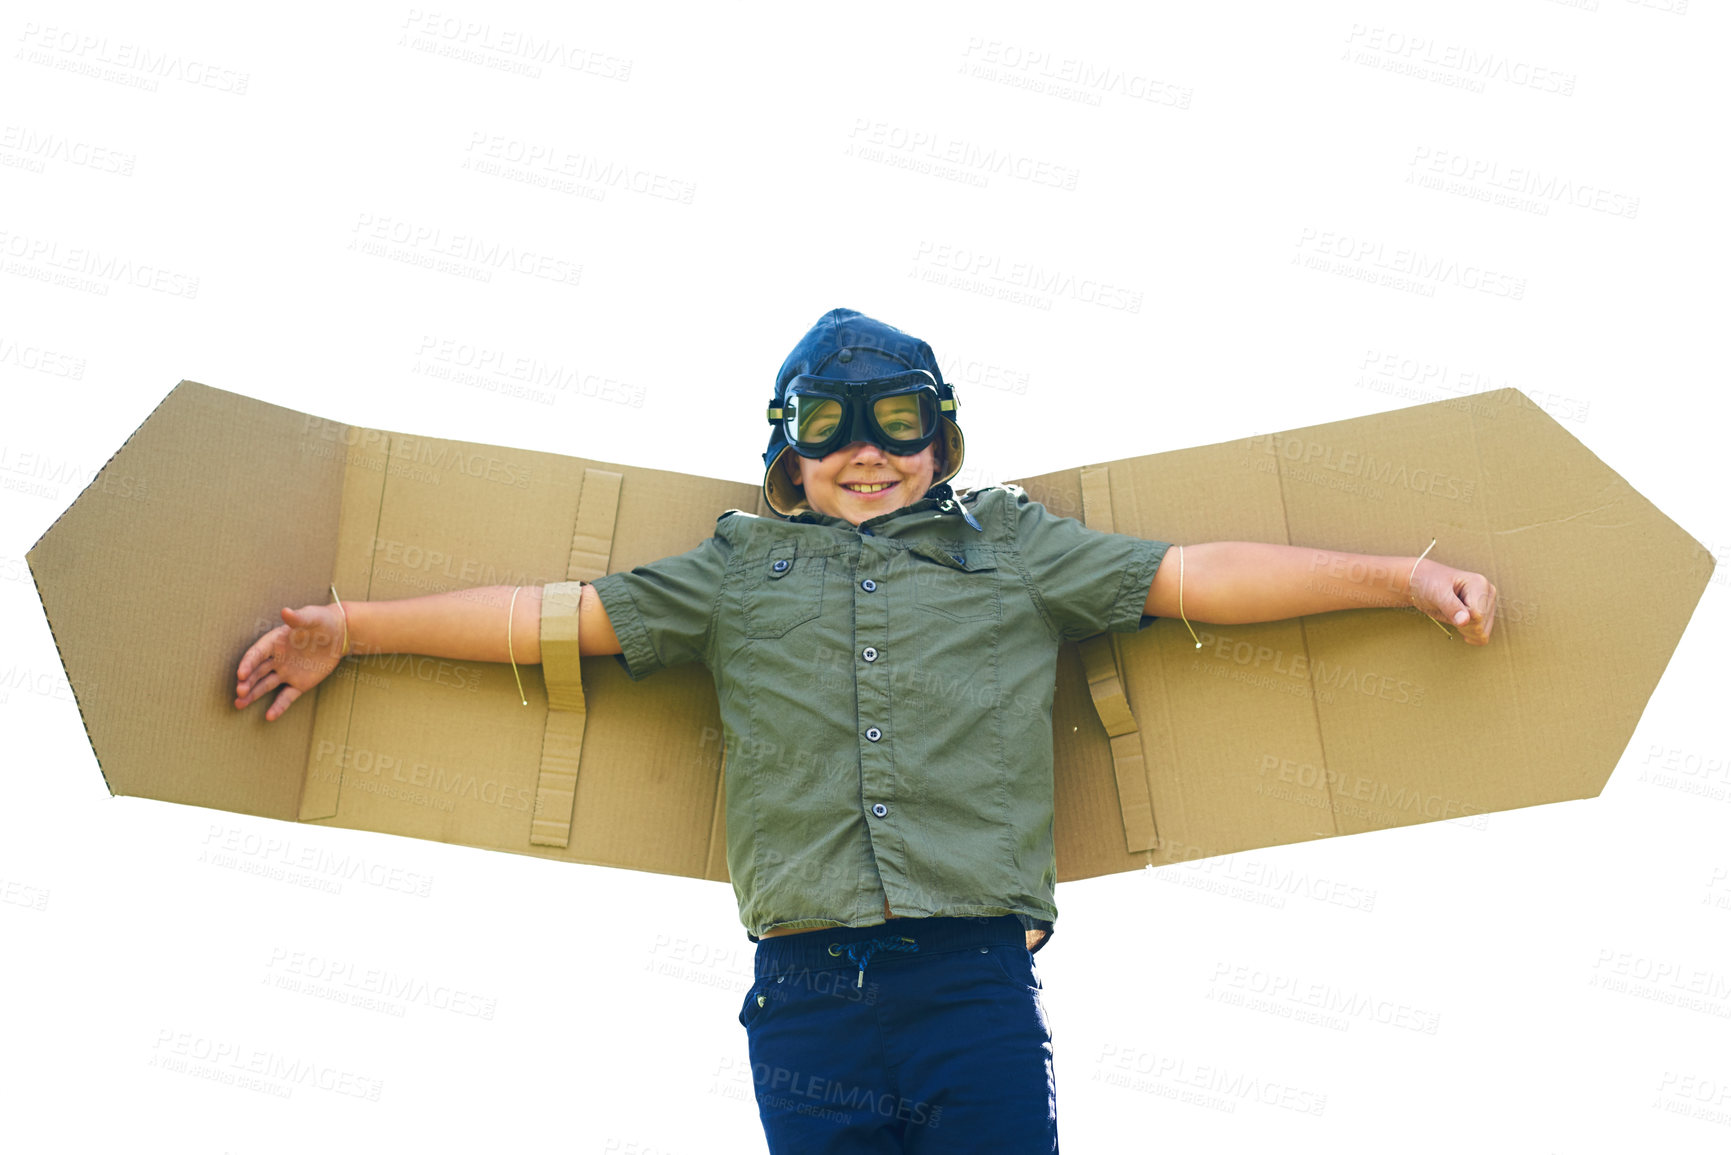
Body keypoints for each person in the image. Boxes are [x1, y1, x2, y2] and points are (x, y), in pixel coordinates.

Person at [234, 307, 1497, 1152]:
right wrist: (358, 625)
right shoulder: (736, 572)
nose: (866, 455)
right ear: (789, 456)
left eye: (896, 425)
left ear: (937, 440)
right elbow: (549, 615)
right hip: (804, 996)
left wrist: (1395, 577)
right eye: (832, 432)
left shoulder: (1012, 548)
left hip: (971, 979)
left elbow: (1198, 578)